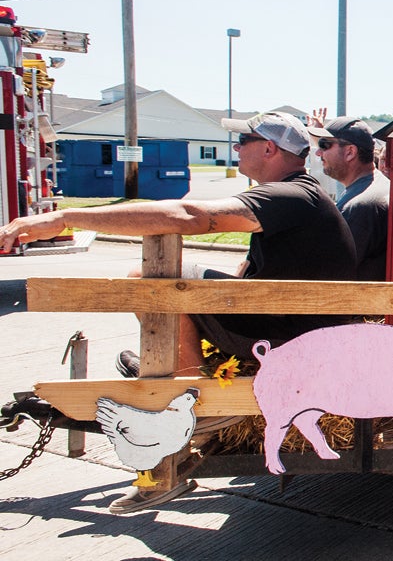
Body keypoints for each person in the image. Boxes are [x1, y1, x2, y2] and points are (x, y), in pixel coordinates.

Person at [0, 111, 358, 513]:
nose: (236, 148)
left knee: (146, 279)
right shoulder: (297, 194)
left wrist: (65, 216)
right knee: (180, 280)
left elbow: (190, 217)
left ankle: (190, 404)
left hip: (287, 339)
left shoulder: (289, 195)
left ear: (270, 148)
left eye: (244, 141)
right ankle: (183, 383)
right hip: (295, 329)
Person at [309, 116, 389, 282]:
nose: (318, 152)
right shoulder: (373, 188)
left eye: (325, 145)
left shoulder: (361, 205)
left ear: (350, 152)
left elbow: (330, 272)